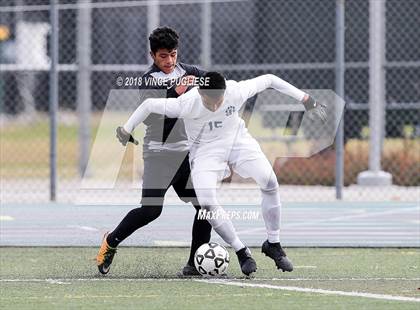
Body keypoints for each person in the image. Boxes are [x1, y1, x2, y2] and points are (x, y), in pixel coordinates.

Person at [117, 71, 327, 276]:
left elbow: (270, 79)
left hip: (238, 141)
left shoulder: (235, 90)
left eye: (220, 100)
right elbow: (147, 105)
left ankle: (274, 244)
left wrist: (306, 98)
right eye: (211, 102)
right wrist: (126, 129)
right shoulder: (186, 103)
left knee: (270, 181)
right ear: (200, 93)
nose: (216, 105)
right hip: (205, 152)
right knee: (207, 202)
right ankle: (241, 251)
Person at [96, 26, 212, 276]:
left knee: (205, 208)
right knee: (151, 210)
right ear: (152, 56)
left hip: (186, 157)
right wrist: (176, 93)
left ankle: (195, 263)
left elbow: (215, 83)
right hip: (159, 156)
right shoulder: (148, 81)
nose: (169, 61)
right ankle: (111, 242)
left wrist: (214, 85)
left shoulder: (190, 72)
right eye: (163, 56)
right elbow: (154, 119)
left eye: (172, 54)